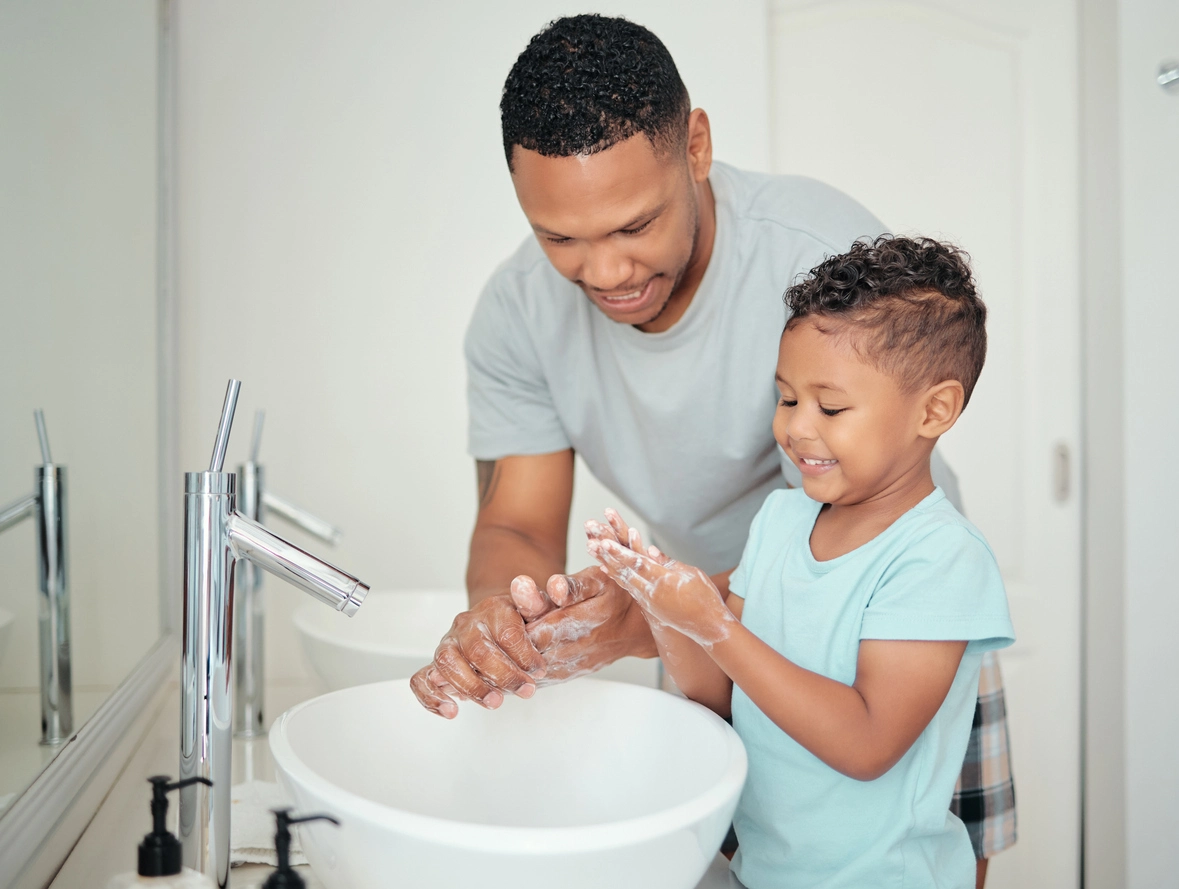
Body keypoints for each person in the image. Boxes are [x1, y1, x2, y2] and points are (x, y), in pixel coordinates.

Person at [409, 14, 1016, 884]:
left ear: (694, 145)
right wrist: (508, 624)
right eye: (561, 240)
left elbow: (830, 561)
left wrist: (652, 615)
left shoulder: (814, 263)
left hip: (883, 610)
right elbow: (515, 519)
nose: (606, 272)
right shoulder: (516, 313)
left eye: (635, 224)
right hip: (717, 616)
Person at [586, 235, 1014, 889]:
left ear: (934, 410)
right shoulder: (779, 521)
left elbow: (867, 743)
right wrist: (666, 606)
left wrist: (717, 625)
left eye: (830, 406)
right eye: (786, 398)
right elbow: (720, 694)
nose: (796, 427)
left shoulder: (940, 559)